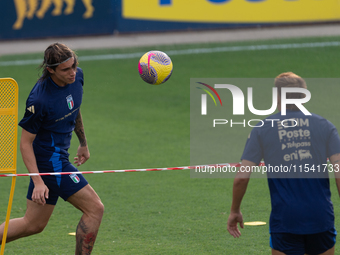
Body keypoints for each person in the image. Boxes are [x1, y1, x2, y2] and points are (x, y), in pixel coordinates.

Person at [0, 43, 104, 254]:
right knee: (95, 209)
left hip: (60, 156)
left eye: (74, 65)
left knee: (33, 224)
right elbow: (25, 143)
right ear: (50, 70)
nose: (72, 72)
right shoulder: (39, 100)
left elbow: (74, 107)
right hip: (50, 161)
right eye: (66, 69)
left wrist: (83, 143)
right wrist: (38, 181)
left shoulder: (77, 77)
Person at [227, 72, 340, 255]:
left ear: (277, 97)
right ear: (304, 95)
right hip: (321, 218)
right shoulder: (326, 126)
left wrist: (234, 211)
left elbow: (241, 177)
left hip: (285, 220)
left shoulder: (262, 129)